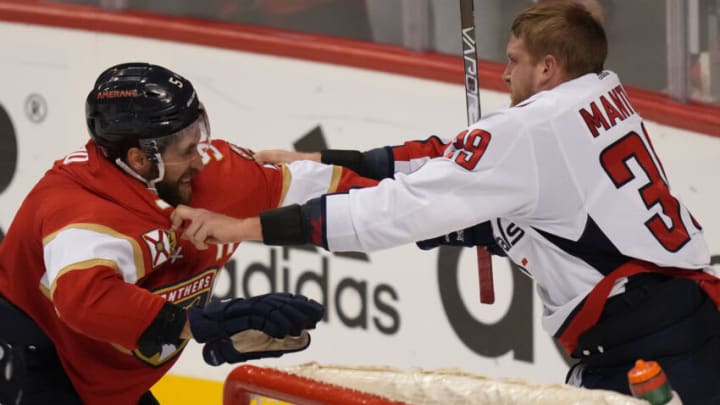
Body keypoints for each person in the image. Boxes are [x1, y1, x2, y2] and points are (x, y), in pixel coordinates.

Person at [171, 3, 720, 404]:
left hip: (642, 350)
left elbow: (393, 212)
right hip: (688, 319)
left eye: (514, 61)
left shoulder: (528, 131)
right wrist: (322, 157)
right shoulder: (602, 93)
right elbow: (450, 157)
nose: (503, 74)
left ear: (548, 68)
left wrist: (245, 227)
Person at [0, 62, 377, 404]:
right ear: (140, 158)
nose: (201, 158)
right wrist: (203, 323)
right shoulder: (78, 205)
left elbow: (330, 185)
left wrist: (420, 202)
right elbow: (86, 300)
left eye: (199, 136)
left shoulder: (217, 173)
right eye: (187, 148)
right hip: (28, 369)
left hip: (104, 382)